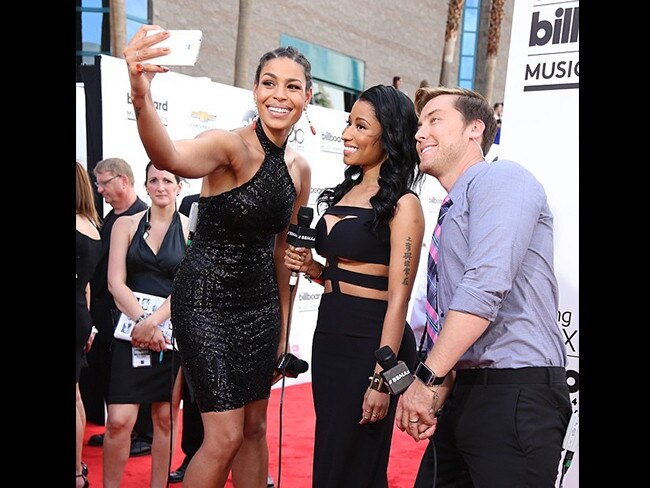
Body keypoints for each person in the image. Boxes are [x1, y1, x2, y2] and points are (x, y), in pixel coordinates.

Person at [123, 25, 312, 487]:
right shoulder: (231, 145)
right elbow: (169, 155)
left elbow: (283, 254)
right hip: (206, 302)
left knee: (254, 429)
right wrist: (140, 93)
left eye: (292, 86)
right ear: (254, 89)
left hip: (261, 307)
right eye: (269, 83)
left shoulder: (298, 169)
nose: (279, 95)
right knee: (224, 436)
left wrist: (284, 329)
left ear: (308, 97)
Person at [396, 86, 571, 487]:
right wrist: (443, 381)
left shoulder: (502, 177)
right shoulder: (454, 206)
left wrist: (427, 379)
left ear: (475, 128)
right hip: (467, 390)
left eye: (434, 119)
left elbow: (485, 286)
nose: (420, 133)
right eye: (419, 124)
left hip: (515, 394)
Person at [285, 84, 425, 487]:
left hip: (371, 345)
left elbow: (399, 300)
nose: (346, 134)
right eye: (349, 123)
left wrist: (383, 378)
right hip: (330, 336)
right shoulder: (348, 190)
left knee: (356, 460)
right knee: (332, 450)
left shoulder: (403, 204)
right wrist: (312, 266)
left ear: (390, 137)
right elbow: (341, 272)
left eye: (360, 126)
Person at [103, 161, 188, 487]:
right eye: (154, 180)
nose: (161, 186)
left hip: (169, 335)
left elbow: (186, 287)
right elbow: (114, 282)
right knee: (119, 422)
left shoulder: (191, 230)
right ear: (145, 185)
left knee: (165, 419)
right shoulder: (125, 225)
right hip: (131, 334)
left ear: (180, 186)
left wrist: (153, 324)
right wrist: (141, 323)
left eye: (168, 179)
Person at [82, 157, 155, 457]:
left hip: (132, 315)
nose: (99, 190)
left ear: (123, 181)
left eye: (104, 183)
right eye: (96, 184)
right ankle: (120, 429)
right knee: (111, 378)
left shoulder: (144, 218)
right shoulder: (109, 218)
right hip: (104, 315)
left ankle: (145, 436)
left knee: (138, 376)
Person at [76, 161, 103, 488]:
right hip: (81, 315)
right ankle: (78, 467)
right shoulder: (92, 225)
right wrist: (89, 325)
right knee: (78, 397)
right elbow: (86, 286)